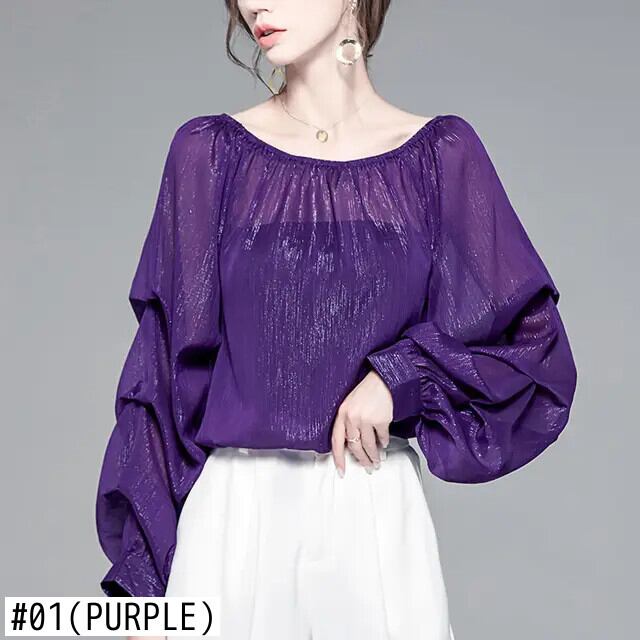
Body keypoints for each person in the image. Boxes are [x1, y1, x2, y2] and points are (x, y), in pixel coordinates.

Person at [95, 1, 578, 639]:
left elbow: (531, 347)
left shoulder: (441, 157)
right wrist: (140, 589)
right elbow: (163, 379)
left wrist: (400, 377)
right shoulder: (208, 155)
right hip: (233, 518)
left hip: (371, 508)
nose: (255, 4)